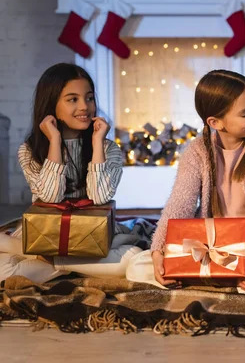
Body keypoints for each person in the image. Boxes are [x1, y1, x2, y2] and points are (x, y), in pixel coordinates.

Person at [128, 70, 245, 293]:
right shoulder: (197, 150)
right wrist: (159, 251)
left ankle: (228, 278)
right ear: (216, 122)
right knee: (137, 267)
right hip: (208, 244)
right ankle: (223, 278)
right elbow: (179, 204)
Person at [0, 63, 141, 283]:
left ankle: (54, 263)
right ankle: (77, 267)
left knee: (131, 258)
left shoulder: (108, 149)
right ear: (51, 104)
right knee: (4, 270)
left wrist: (96, 144)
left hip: (93, 233)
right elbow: (50, 197)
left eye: (89, 98)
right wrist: (55, 142)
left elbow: (100, 196)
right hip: (45, 233)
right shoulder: (29, 150)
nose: (85, 106)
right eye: (73, 99)